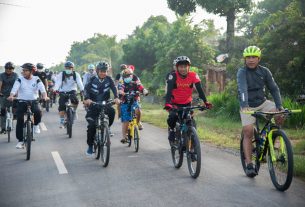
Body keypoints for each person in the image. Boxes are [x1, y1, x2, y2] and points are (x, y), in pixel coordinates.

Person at [237, 46, 283, 177]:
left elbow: (274, 89)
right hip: (247, 105)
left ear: (259, 58)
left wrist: (279, 105)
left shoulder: (265, 71)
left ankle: (276, 140)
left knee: (280, 114)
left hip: (262, 103)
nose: (251, 60)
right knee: (248, 132)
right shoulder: (242, 72)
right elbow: (242, 89)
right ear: (245, 59)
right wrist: (245, 105)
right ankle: (250, 165)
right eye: (248, 57)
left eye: (254, 57)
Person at [164, 56, 212, 144]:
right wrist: (167, 103)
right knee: (173, 117)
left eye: (185, 66)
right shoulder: (173, 76)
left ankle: (192, 142)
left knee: (190, 121)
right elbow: (169, 91)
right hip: (174, 103)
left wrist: (206, 102)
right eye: (181, 67)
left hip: (187, 103)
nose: (183, 69)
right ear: (177, 68)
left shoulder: (193, 75)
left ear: (188, 67)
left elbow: (200, 90)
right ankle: (172, 130)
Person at [7, 63, 48, 149]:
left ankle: (36, 125)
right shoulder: (19, 79)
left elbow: (42, 88)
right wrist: (11, 95)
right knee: (20, 120)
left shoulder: (36, 79)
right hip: (22, 101)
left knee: (38, 112)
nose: (24, 72)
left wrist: (45, 96)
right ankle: (20, 141)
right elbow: (15, 88)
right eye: (23, 70)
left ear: (31, 71)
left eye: (26, 70)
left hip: (34, 101)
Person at [83, 61, 120, 155]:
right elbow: (86, 90)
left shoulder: (109, 79)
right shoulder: (92, 79)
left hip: (105, 103)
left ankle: (107, 128)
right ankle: (90, 146)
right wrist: (87, 99)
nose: (103, 73)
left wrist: (116, 97)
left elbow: (114, 88)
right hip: (93, 104)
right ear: (97, 71)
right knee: (91, 126)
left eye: (105, 71)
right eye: (101, 71)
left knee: (112, 111)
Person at [118, 67, 148, 143]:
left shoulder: (135, 79)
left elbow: (140, 86)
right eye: (126, 76)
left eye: (130, 75)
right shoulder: (121, 81)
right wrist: (121, 92)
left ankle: (138, 123)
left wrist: (144, 90)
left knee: (138, 111)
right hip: (125, 101)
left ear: (132, 74)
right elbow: (120, 88)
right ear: (124, 76)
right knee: (126, 120)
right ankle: (124, 137)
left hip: (134, 99)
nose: (128, 77)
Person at [53, 61, 84, 128]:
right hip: (63, 91)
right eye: (67, 68)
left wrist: (82, 90)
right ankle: (61, 121)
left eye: (70, 68)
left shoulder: (76, 74)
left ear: (72, 68)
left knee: (75, 101)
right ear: (65, 68)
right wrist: (55, 89)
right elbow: (58, 83)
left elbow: (80, 83)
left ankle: (74, 111)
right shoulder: (61, 74)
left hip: (72, 91)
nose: (68, 69)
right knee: (62, 106)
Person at [0, 62, 18, 134]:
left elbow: (17, 85)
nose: (8, 70)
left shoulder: (15, 75)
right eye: (7, 68)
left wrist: (16, 94)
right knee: (3, 111)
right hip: (3, 94)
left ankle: (14, 115)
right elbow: (0, 83)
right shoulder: (1, 75)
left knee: (15, 107)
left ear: (13, 69)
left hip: (12, 95)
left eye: (10, 68)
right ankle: (3, 128)